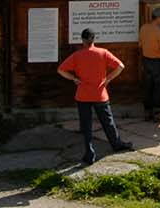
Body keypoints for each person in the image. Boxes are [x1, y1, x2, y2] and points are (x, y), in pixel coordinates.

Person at [56, 29, 135, 166]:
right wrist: (108, 79)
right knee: (108, 122)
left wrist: (74, 78)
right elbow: (120, 66)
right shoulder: (103, 53)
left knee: (86, 126)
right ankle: (116, 144)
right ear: (93, 39)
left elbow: (60, 70)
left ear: (82, 40)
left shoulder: (77, 55)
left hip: (83, 95)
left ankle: (89, 153)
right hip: (100, 94)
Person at [138, 8, 160, 121]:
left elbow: (140, 45)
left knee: (147, 86)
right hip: (158, 62)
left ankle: (147, 112)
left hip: (146, 61)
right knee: (159, 87)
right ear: (158, 18)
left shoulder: (143, 28)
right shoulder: (159, 32)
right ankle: (158, 113)